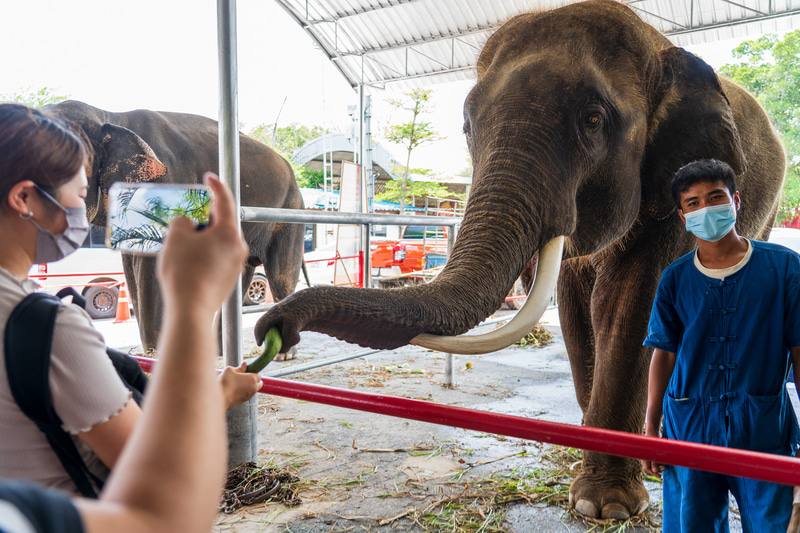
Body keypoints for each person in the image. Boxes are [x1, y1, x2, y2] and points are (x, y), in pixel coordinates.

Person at [0, 103, 261, 496]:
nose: (82, 211)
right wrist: (194, 309)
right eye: (82, 193)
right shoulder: (48, 330)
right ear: (25, 198)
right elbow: (161, 476)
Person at [642, 158, 800, 532]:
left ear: (736, 201)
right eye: (693, 203)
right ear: (682, 217)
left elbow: (799, 351)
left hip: (763, 426)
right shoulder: (675, 279)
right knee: (691, 523)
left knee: (772, 524)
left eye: (715, 197)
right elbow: (663, 352)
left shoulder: (784, 269)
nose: (705, 209)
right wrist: (651, 424)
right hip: (689, 424)